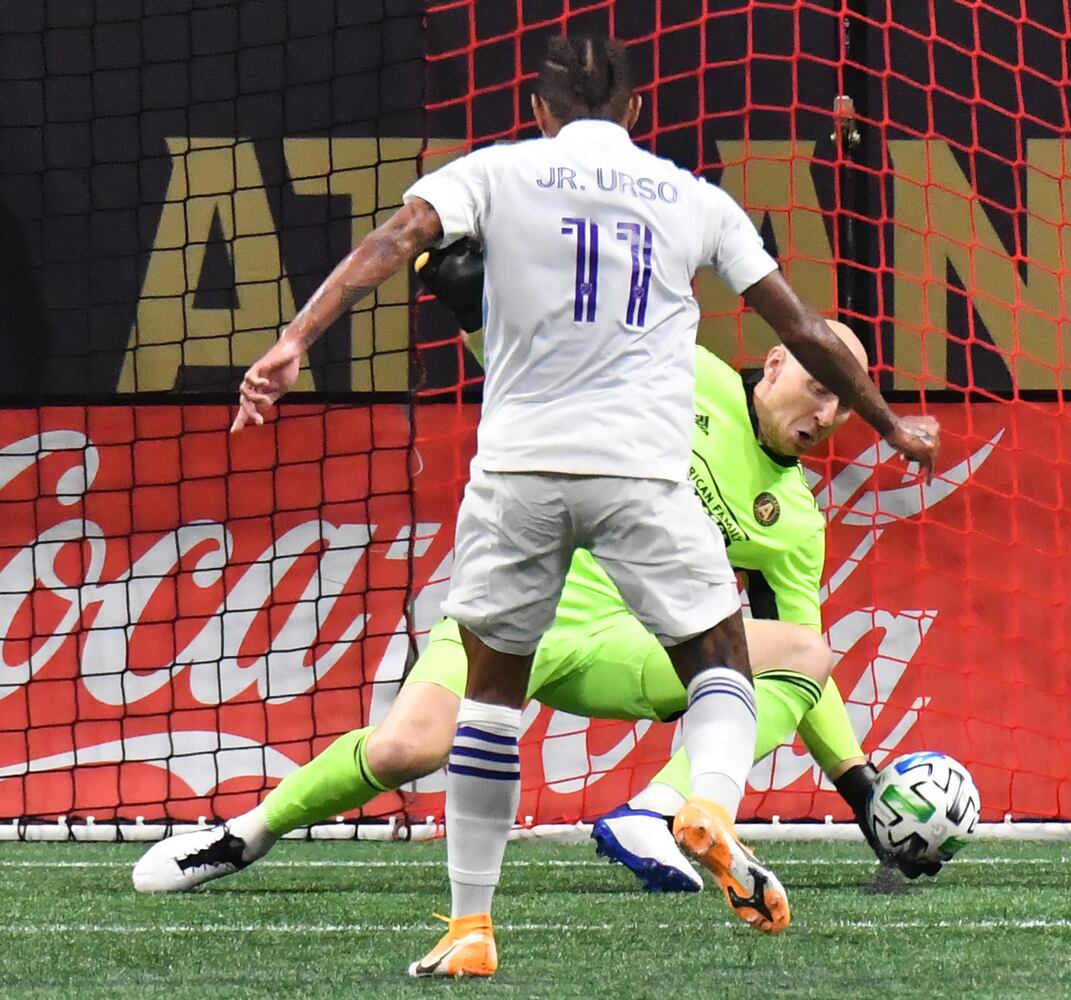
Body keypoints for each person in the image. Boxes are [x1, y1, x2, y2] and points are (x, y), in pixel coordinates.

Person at [226, 35, 938, 978]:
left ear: (541, 112)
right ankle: (705, 806)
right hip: (640, 477)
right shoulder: (693, 197)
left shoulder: (497, 169)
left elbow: (391, 243)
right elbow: (803, 327)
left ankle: (471, 927)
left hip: (519, 473)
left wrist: (291, 342)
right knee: (723, 663)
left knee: (487, 699)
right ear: (637, 115)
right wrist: (891, 429)